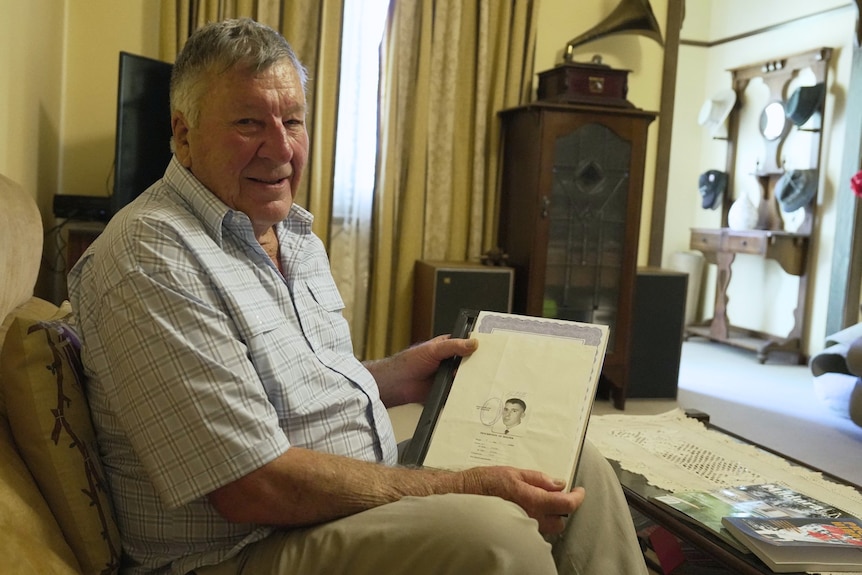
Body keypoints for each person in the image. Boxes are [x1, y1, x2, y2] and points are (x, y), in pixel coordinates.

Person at [69, 18, 648, 575]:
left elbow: (285, 386)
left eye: (292, 122)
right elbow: (253, 486)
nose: (279, 149)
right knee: (498, 532)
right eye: (249, 123)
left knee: (573, 465)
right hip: (241, 547)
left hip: (335, 490)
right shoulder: (150, 256)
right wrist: (459, 485)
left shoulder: (290, 232)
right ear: (184, 134)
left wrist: (391, 376)